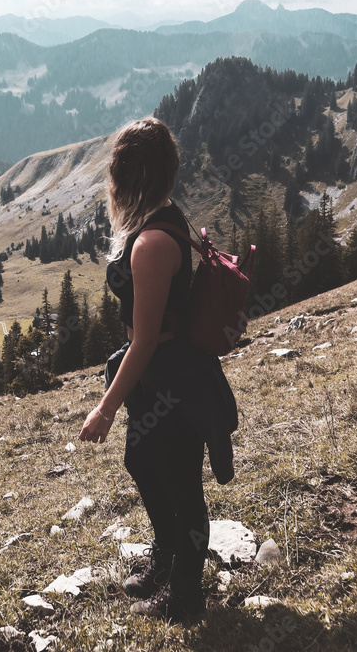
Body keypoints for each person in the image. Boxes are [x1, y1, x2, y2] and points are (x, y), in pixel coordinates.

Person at [79, 116, 238, 623]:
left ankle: (186, 593)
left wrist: (105, 409)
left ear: (131, 177)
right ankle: (166, 554)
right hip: (160, 373)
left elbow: (145, 341)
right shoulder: (165, 214)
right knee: (144, 463)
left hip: (169, 375)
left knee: (181, 481)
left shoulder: (149, 245)